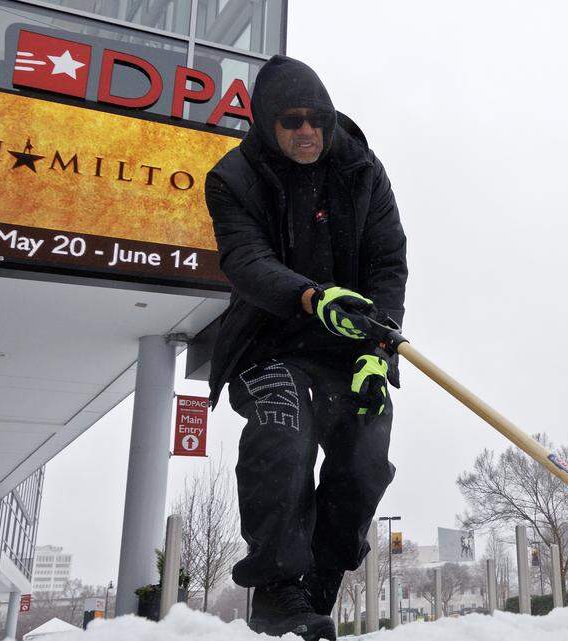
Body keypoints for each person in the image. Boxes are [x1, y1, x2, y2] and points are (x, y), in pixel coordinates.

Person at [204, 55, 407, 640]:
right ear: (266, 122)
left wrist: (379, 347)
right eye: (291, 121)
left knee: (365, 459)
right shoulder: (233, 179)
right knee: (285, 435)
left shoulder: (362, 168)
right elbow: (245, 260)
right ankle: (274, 592)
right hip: (270, 344)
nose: (307, 132)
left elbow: (387, 262)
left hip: (350, 348)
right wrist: (310, 296)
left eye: (317, 119)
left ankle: (316, 587)